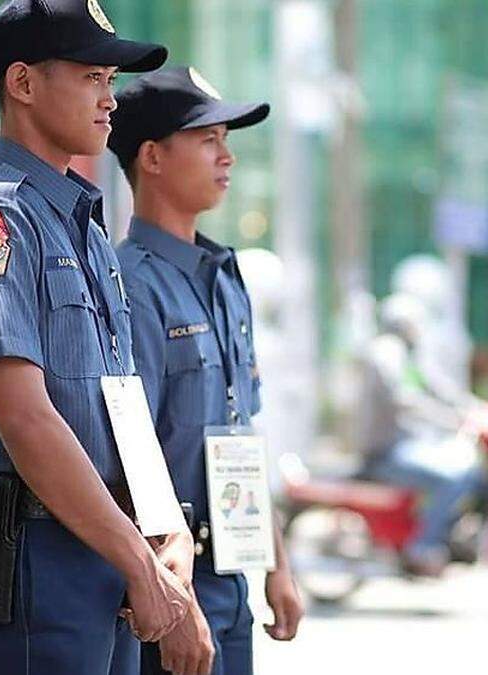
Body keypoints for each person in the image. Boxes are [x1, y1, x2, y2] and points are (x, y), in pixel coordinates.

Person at [0, 2, 194, 672]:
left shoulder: (85, 223)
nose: (110, 100)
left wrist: (167, 537)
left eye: (111, 81)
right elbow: (23, 414)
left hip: (113, 552)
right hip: (42, 558)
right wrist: (138, 557)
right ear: (22, 83)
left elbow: (121, 403)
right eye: (93, 78)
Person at [106, 66, 304, 675]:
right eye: (208, 139)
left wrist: (277, 562)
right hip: (169, 591)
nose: (228, 157)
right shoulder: (129, 286)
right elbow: (129, 460)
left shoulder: (225, 277)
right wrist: (176, 598)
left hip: (231, 579)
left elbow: (242, 433)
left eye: (227, 140)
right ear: (153, 157)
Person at [358, 294, 483, 577]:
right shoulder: (385, 352)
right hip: (387, 451)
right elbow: (404, 399)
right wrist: (449, 419)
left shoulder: (406, 353)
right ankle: (422, 546)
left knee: (466, 469)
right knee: (453, 478)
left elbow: (434, 384)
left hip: (408, 443)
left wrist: (472, 406)